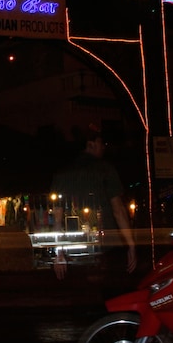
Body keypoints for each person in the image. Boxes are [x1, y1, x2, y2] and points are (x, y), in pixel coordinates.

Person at [50, 124, 136, 293]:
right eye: (100, 143)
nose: (103, 147)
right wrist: (131, 244)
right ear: (91, 144)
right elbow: (118, 210)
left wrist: (58, 253)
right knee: (109, 296)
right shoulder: (106, 170)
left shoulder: (62, 175)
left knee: (81, 297)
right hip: (106, 248)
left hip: (74, 250)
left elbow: (57, 219)